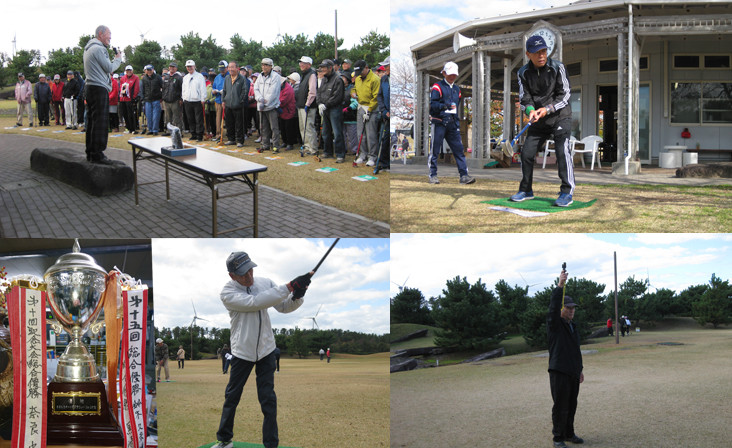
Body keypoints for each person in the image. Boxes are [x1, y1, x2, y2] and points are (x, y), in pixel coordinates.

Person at [213, 251, 312, 448]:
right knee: (232, 397)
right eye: (243, 273)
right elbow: (255, 303)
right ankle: (224, 439)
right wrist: (289, 286)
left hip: (266, 349)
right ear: (232, 276)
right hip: (242, 351)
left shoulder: (265, 282)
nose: (249, 275)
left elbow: (284, 306)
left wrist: (298, 294)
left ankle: (271, 445)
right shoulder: (227, 293)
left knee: (268, 399)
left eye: (250, 269)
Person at [511, 35, 574, 207]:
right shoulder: (523, 72)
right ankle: (526, 190)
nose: (541, 55)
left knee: (562, 152)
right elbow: (525, 97)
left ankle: (566, 192)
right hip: (538, 120)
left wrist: (548, 109)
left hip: (560, 115)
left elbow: (565, 94)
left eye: (544, 51)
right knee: (526, 154)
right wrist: (530, 110)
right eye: (536, 52)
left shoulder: (558, 67)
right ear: (528, 54)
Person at [547, 269, 584, 448]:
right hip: (559, 370)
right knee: (560, 405)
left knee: (572, 404)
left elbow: (576, 351)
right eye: (568, 307)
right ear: (562, 309)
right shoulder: (555, 325)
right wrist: (560, 285)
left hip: (572, 372)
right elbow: (553, 308)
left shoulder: (572, 327)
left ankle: (569, 434)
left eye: (573, 308)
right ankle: (558, 438)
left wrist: (580, 370)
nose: (571, 310)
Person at [428, 62, 474, 184]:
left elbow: (457, 105)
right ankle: (433, 175)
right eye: (449, 74)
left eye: (454, 74)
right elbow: (432, 105)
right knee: (435, 150)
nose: (452, 77)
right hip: (439, 122)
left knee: (459, 149)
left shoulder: (457, 89)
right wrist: (444, 106)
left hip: (452, 123)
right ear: (444, 73)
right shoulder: (437, 87)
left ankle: (464, 175)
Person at [83, 25, 124, 164]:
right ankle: (97, 154)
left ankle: (90, 151)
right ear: (100, 34)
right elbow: (109, 68)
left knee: (92, 122)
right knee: (100, 122)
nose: (110, 37)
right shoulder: (99, 49)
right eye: (109, 34)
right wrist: (118, 59)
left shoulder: (89, 48)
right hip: (98, 88)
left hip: (90, 87)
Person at [351, 60, 382, 167]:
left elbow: (376, 97)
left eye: (360, 71)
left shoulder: (375, 79)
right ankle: (362, 155)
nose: (359, 74)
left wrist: (369, 110)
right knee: (360, 133)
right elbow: (354, 88)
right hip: (360, 107)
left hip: (371, 108)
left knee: (371, 134)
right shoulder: (358, 78)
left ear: (366, 68)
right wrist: (353, 93)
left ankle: (372, 156)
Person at [316, 59, 346, 162]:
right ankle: (328, 152)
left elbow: (337, 96)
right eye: (321, 67)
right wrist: (319, 103)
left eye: (324, 67)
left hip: (335, 109)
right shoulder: (324, 79)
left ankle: (340, 154)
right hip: (325, 109)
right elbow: (319, 92)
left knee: (337, 133)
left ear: (330, 68)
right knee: (325, 132)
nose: (322, 69)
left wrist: (326, 104)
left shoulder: (338, 79)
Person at [254, 58, 282, 152]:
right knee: (263, 127)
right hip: (261, 106)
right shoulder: (260, 76)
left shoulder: (276, 76)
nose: (264, 67)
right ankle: (265, 145)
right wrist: (259, 99)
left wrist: (264, 102)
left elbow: (273, 92)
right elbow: (256, 89)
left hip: (271, 106)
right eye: (262, 65)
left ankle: (275, 146)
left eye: (266, 65)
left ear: (271, 66)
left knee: (274, 127)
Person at [222, 61, 249, 148]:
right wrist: (223, 100)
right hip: (228, 104)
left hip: (238, 105)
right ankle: (231, 139)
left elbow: (245, 91)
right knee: (229, 124)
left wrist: (240, 101)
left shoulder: (242, 78)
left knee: (239, 124)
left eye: (232, 67)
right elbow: (224, 90)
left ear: (237, 68)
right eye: (229, 67)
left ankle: (240, 141)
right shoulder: (227, 78)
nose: (230, 69)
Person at [296, 56, 318, 155]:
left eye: (303, 63)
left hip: (308, 106)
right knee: (302, 128)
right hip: (301, 105)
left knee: (308, 127)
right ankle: (306, 146)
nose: (301, 65)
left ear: (309, 64)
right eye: (300, 63)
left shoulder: (312, 75)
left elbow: (312, 91)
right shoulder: (304, 74)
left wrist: (307, 104)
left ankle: (313, 148)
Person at [182, 60, 207, 142]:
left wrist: (203, 98)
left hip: (197, 100)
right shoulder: (185, 77)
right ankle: (193, 134)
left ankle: (199, 135)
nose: (189, 68)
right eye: (188, 67)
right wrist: (183, 98)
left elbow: (202, 88)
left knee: (198, 119)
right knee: (190, 118)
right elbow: (184, 89)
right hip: (187, 100)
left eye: (191, 66)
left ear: (194, 66)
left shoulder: (200, 76)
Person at [375, 56, 391, 171]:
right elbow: (379, 96)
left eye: (387, 66)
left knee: (391, 139)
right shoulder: (384, 79)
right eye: (384, 66)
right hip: (386, 113)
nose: (384, 68)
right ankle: (384, 163)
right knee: (383, 138)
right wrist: (384, 111)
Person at [278, 73, 298, 152]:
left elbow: (283, 101)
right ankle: (284, 141)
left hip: (288, 110)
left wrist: (276, 103)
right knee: (282, 127)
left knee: (288, 128)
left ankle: (290, 143)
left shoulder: (288, 89)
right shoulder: (281, 88)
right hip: (281, 111)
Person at [162, 62, 184, 135]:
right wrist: (163, 97)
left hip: (175, 100)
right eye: (170, 67)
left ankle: (178, 131)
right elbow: (164, 88)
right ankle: (169, 131)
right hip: (166, 100)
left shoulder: (179, 78)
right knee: (168, 117)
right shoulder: (167, 77)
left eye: (173, 67)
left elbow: (182, 89)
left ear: (176, 68)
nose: (172, 68)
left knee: (176, 117)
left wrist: (181, 99)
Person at [141, 64, 163, 136]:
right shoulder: (144, 78)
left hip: (156, 99)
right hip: (147, 100)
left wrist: (161, 96)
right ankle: (150, 129)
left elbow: (163, 86)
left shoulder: (157, 77)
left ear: (153, 70)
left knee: (156, 115)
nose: (149, 71)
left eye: (150, 70)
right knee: (148, 115)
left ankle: (155, 130)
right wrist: (142, 98)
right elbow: (142, 89)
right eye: (148, 70)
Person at [119, 65, 140, 134]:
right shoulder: (123, 78)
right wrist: (121, 96)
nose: (129, 72)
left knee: (131, 114)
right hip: (123, 99)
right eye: (127, 71)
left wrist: (134, 98)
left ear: (132, 71)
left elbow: (136, 88)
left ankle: (132, 128)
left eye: (130, 70)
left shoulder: (135, 78)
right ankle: (127, 127)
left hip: (130, 99)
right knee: (125, 114)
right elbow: (121, 87)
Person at [212, 60, 227, 140]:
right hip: (218, 100)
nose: (222, 71)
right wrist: (214, 91)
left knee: (229, 119)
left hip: (228, 101)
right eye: (220, 69)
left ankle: (230, 135)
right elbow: (214, 87)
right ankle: (218, 135)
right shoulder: (217, 77)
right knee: (218, 119)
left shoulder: (230, 76)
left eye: (223, 69)